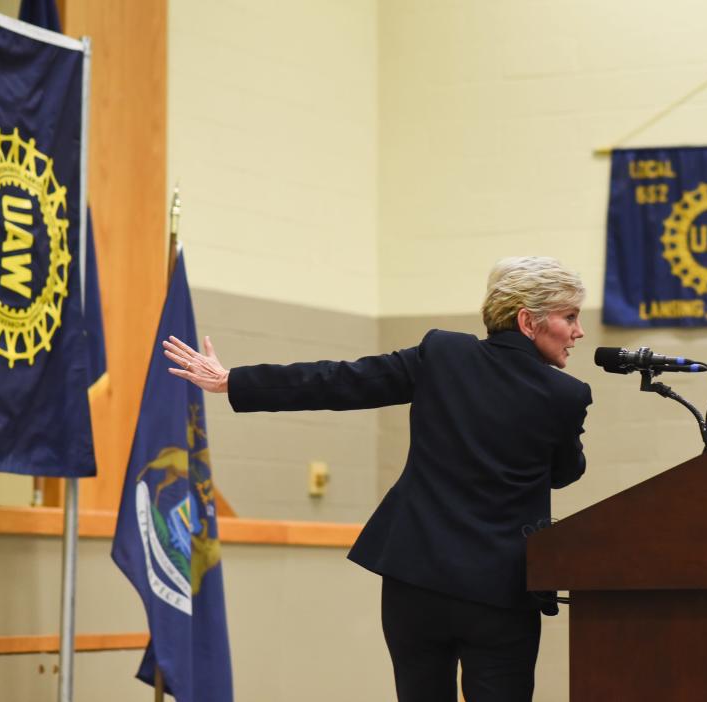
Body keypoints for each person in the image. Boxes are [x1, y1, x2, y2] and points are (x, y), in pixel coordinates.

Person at [163, 256, 592, 702]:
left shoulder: (444, 354)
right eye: (570, 317)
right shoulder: (566, 395)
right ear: (527, 320)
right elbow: (565, 473)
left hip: (414, 581)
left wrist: (234, 381)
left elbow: (341, 381)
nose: (578, 332)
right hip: (497, 594)